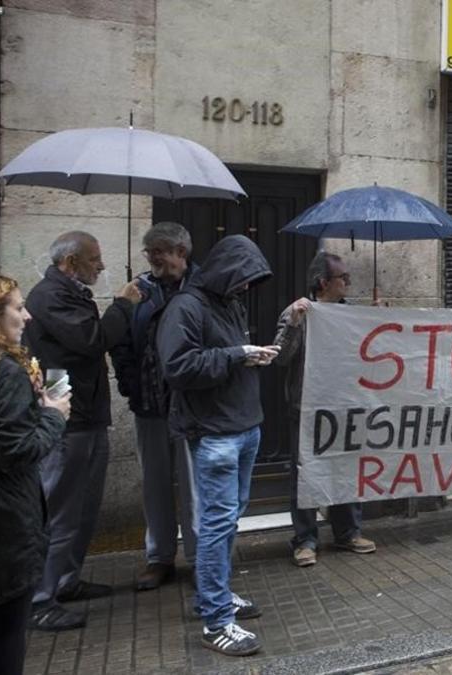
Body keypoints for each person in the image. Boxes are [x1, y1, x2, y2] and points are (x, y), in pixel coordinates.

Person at [156, 235, 277, 657]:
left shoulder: (228, 302)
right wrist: (236, 355)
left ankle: (217, 594)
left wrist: (246, 356)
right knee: (216, 523)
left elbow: (224, 356)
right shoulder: (185, 308)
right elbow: (178, 366)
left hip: (243, 425)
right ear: (226, 272)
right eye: (242, 279)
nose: (246, 288)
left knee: (228, 519)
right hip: (215, 432)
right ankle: (215, 620)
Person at [25, 231, 142, 631]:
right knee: (59, 510)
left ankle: (65, 580)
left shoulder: (72, 293)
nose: (102, 266)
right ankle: (40, 598)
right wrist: (123, 306)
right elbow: (91, 341)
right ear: (70, 262)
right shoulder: (49, 296)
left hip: (88, 413)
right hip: (67, 420)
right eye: (94, 259)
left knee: (84, 508)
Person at [110, 222, 200, 591]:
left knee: (195, 485)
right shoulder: (138, 291)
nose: (154, 258)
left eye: (161, 250)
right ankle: (159, 557)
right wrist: (129, 384)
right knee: (154, 483)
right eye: (150, 252)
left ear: (182, 251)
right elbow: (120, 345)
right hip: (148, 402)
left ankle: (199, 559)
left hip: (189, 405)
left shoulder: (201, 287)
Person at [274, 252, 378, 565]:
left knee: (346, 469)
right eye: (342, 277)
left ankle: (348, 532)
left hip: (345, 408)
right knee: (305, 475)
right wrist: (294, 323)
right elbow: (280, 357)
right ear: (323, 282)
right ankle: (305, 539)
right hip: (307, 410)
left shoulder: (354, 316)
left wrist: (377, 323)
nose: (348, 282)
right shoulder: (297, 312)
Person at [0, 274, 70, 673]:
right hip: (5, 523)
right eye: (18, 308)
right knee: (7, 638)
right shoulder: (4, 372)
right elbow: (16, 449)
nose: (27, 316)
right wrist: (52, 416)